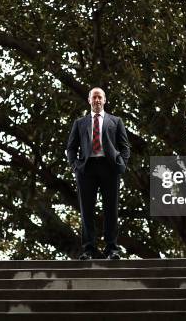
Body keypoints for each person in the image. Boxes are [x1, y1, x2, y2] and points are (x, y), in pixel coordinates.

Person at [66, 87, 130, 260]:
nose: (97, 100)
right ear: (89, 100)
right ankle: (89, 249)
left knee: (111, 209)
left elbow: (125, 147)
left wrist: (121, 165)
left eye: (99, 97)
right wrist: (75, 166)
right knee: (87, 210)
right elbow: (71, 148)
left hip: (110, 168)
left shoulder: (116, 121)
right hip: (86, 169)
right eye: (94, 97)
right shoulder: (80, 123)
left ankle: (112, 249)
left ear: (105, 100)